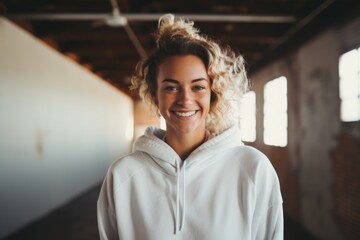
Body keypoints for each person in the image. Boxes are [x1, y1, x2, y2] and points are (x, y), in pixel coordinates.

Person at [97, 14, 283, 240]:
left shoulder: (254, 169)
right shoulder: (123, 175)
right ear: (155, 96)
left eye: (198, 87)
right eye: (171, 88)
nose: (185, 99)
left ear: (213, 94)